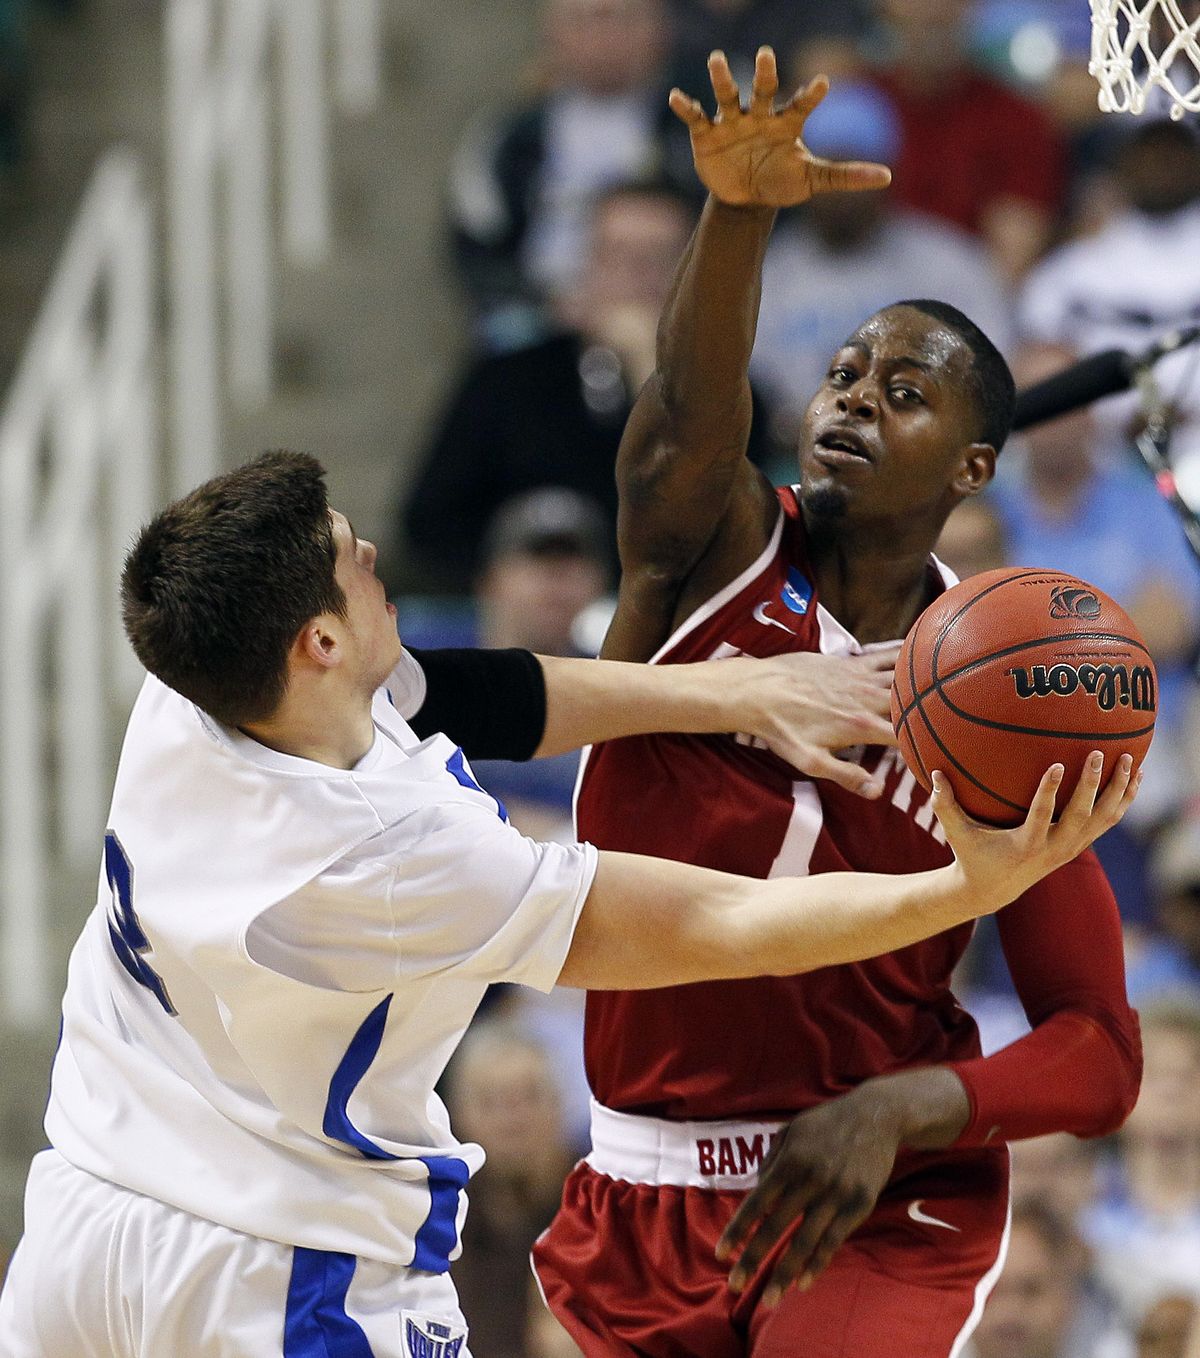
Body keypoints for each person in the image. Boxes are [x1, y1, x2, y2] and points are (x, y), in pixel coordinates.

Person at [0, 450, 1134, 1358]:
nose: (374, 547)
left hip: (79, 1225)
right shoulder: (398, 856)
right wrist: (966, 886)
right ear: (322, 641)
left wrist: (723, 689)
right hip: (282, 1273)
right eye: (349, 556)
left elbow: (488, 691)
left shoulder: (191, 690)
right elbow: (715, 926)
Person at [534, 51, 1145, 1357]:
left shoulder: (1007, 701)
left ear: (977, 465)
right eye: (848, 375)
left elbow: (1100, 1052)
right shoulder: (705, 559)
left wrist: (912, 1105)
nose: (859, 396)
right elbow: (687, 420)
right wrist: (739, 211)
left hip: (881, 1192)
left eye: (906, 390)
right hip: (642, 1193)